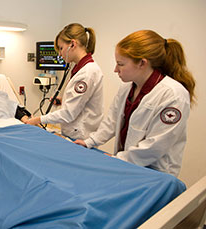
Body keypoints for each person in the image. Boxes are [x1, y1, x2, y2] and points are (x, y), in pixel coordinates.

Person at [74, 30, 196, 177]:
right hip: (127, 165)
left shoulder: (173, 95)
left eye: (121, 64)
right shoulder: (127, 88)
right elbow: (111, 121)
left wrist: (118, 159)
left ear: (142, 63)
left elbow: (156, 145)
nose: (115, 69)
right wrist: (89, 141)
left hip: (156, 174)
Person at [26, 23, 104, 140]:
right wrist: (64, 101)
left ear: (72, 44)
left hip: (81, 136)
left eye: (61, 48)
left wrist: (37, 119)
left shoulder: (87, 72)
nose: (60, 54)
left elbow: (68, 113)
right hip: (74, 133)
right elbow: (81, 102)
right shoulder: (79, 68)